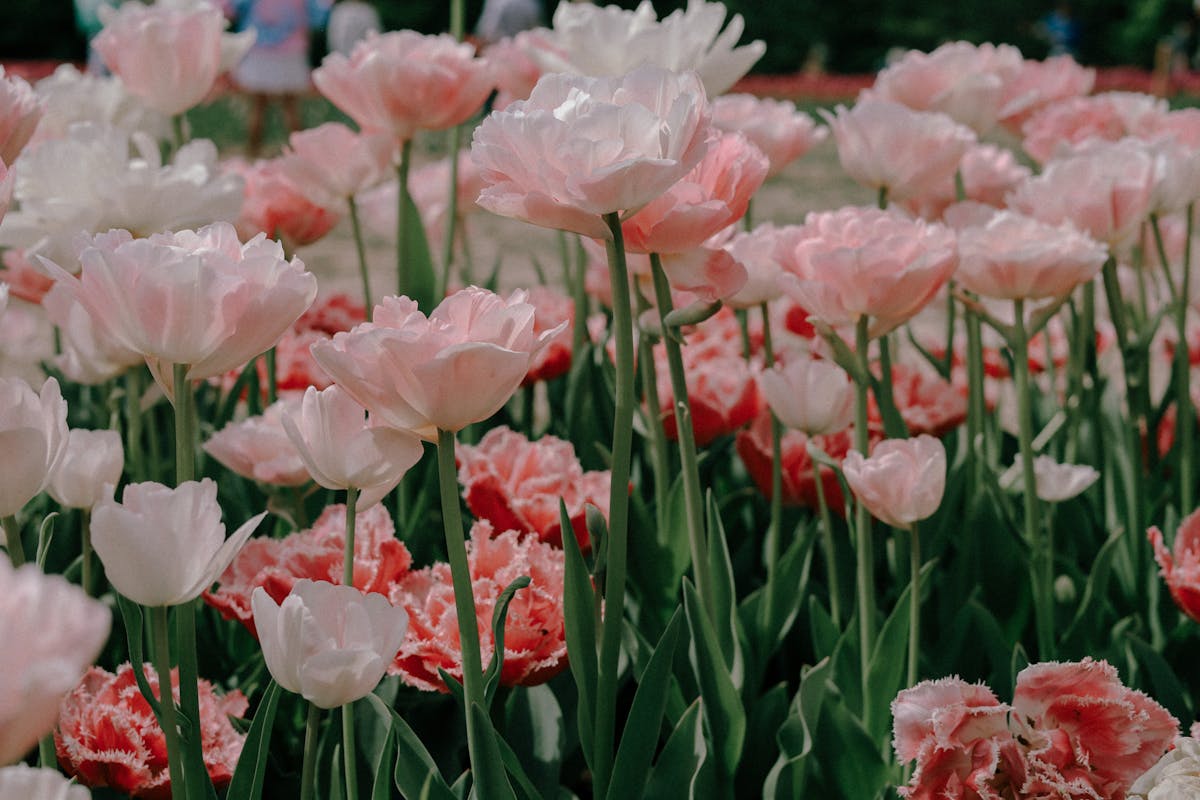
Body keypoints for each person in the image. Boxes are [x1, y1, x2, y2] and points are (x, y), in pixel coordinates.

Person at [227, 0, 332, 155]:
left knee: (258, 107)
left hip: (259, 50)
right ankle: (301, 153)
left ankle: (252, 152)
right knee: (290, 108)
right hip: (290, 51)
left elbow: (233, 9)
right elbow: (318, 17)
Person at [474, 0, 543, 47]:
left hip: (499, 51)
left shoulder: (497, 3)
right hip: (524, 53)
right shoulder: (533, 3)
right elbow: (538, 31)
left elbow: (487, 32)